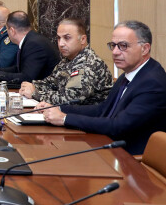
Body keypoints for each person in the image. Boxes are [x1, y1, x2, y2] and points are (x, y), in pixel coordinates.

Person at [41, 21, 166, 155]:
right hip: (108, 146)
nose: (115, 52)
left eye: (123, 46)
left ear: (145, 49)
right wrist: (59, 108)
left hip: (129, 157)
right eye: (113, 45)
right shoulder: (129, 73)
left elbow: (118, 126)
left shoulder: (152, 83)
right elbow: (103, 109)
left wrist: (64, 119)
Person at [19, 19, 113, 105]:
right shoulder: (68, 60)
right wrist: (30, 86)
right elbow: (50, 83)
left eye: (67, 38)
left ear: (82, 39)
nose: (61, 44)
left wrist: (36, 94)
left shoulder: (88, 64)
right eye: (59, 38)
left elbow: (70, 99)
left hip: (84, 117)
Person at [0, 11, 60, 88]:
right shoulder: (30, 39)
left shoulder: (34, 44)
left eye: (7, 29)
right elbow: (18, 68)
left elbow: (27, 78)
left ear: (12, 31)